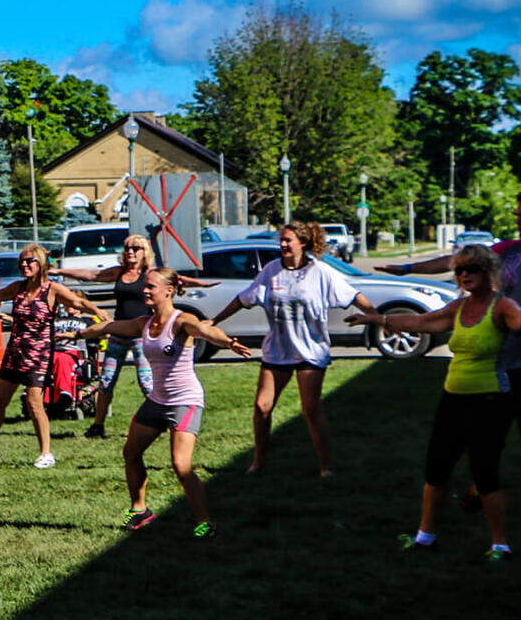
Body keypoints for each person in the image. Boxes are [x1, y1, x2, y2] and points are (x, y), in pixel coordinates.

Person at [351, 246, 521, 560]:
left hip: (491, 399)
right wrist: (378, 318)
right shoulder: (458, 307)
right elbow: (425, 322)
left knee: (484, 472)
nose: (464, 275)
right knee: (436, 469)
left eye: (472, 269)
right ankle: (426, 537)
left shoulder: (501, 306)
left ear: (487, 272)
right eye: (459, 271)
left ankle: (500, 544)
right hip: (453, 397)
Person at [385, 190, 521, 515]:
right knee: (485, 436)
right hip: (498, 363)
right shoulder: (504, 251)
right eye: (517, 215)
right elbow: (459, 261)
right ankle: (482, 489)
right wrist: (409, 267)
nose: (518, 221)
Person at [82, 268, 251, 538]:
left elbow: (205, 331)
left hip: (185, 401)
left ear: (169, 291)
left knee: (181, 466)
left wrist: (229, 342)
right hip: (157, 400)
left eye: (151, 286)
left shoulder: (182, 320)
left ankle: (204, 524)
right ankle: (140, 511)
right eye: (145, 287)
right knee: (131, 453)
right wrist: (77, 336)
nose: (145, 291)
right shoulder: (143, 323)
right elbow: (108, 327)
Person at [209, 221, 379, 477]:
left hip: (310, 352)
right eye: (282, 240)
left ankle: (326, 467)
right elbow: (244, 299)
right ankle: (258, 463)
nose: (283, 244)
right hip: (277, 351)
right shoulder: (271, 270)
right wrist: (214, 321)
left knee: (310, 409)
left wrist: (375, 316)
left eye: (289, 240)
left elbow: (353, 295)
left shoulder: (320, 271)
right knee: (262, 407)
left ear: (303, 243)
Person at [0, 243, 108, 467]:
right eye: (22, 261)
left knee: (34, 403)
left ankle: (46, 453)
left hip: (38, 355)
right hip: (15, 352)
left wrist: (99, 312)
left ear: (40, 264)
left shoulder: (52, 290)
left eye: (29, 261)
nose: (24, 265)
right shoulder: (18, 288)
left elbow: (78, 302)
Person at [54, 233, 219, 440]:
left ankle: (162, 422)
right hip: (119, 332)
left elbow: (176, 280)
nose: (130, 252)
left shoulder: (150, 275)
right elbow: (91, 275)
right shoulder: (120, 272)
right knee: (105, 382)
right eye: (127, 248)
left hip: (143, 334)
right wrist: (59, 270)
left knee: (147, 382)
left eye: (136, 248)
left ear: (144, 252)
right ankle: (98, 425)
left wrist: (202, 284)